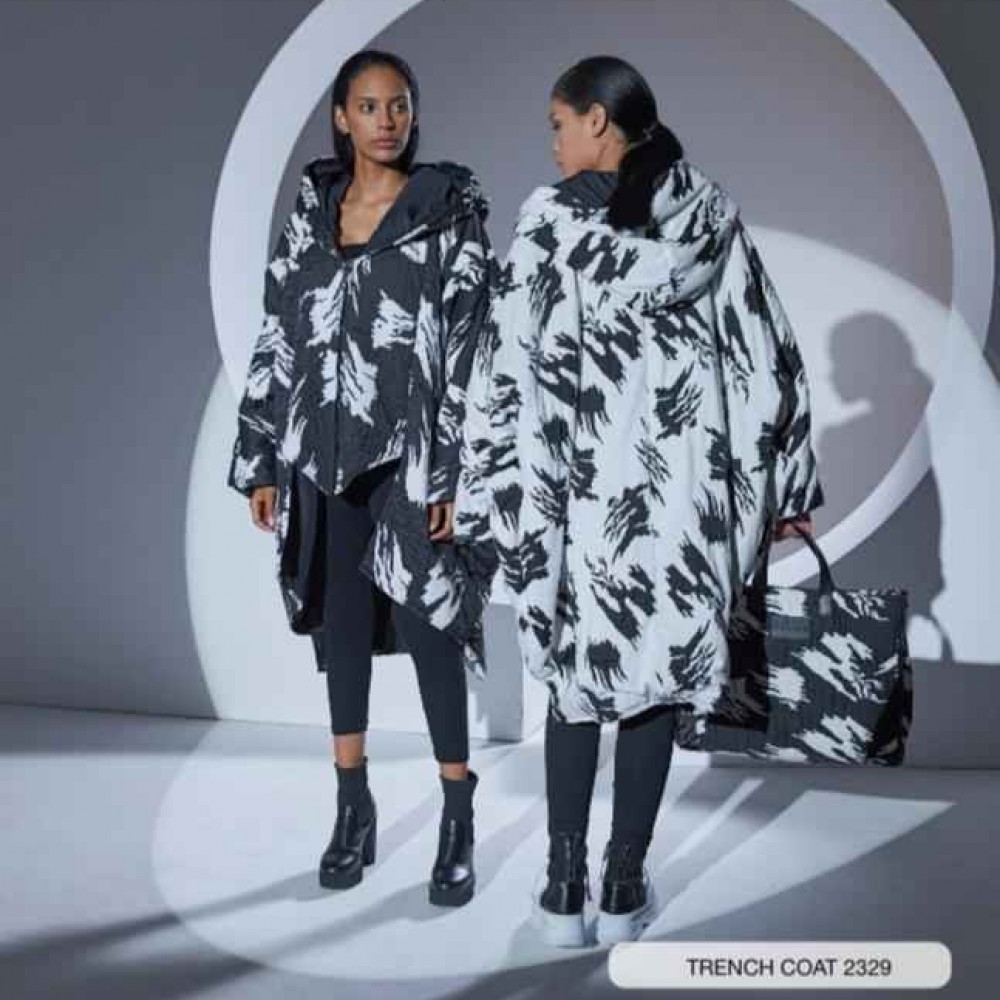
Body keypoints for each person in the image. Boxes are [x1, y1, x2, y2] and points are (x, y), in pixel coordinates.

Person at [454, 56, 823, 944]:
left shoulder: (547, 229)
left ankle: (562, 887)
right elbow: (767, 357)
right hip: (679, 504)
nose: (551, 142)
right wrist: (786, 486)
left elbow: (503, 369)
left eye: (558, 124)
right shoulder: (709, 220)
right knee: (656, 679)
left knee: (574, 682)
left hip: (578, 504)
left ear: (599, 122)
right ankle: (622, 886)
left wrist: (480, 491)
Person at [227, 49, 496, 908]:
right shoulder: (311, 213)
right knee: (342, 627)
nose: (387, 121)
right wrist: (261, 455)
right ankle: (353, 806)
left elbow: (472, 348)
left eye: (399, 105)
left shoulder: (447, 213)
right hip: (319, 450)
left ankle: (457, 815)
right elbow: (277, 331)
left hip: (409, 456)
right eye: (370, 106)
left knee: (429, 623)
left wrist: (452, 471)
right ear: (341, 118)